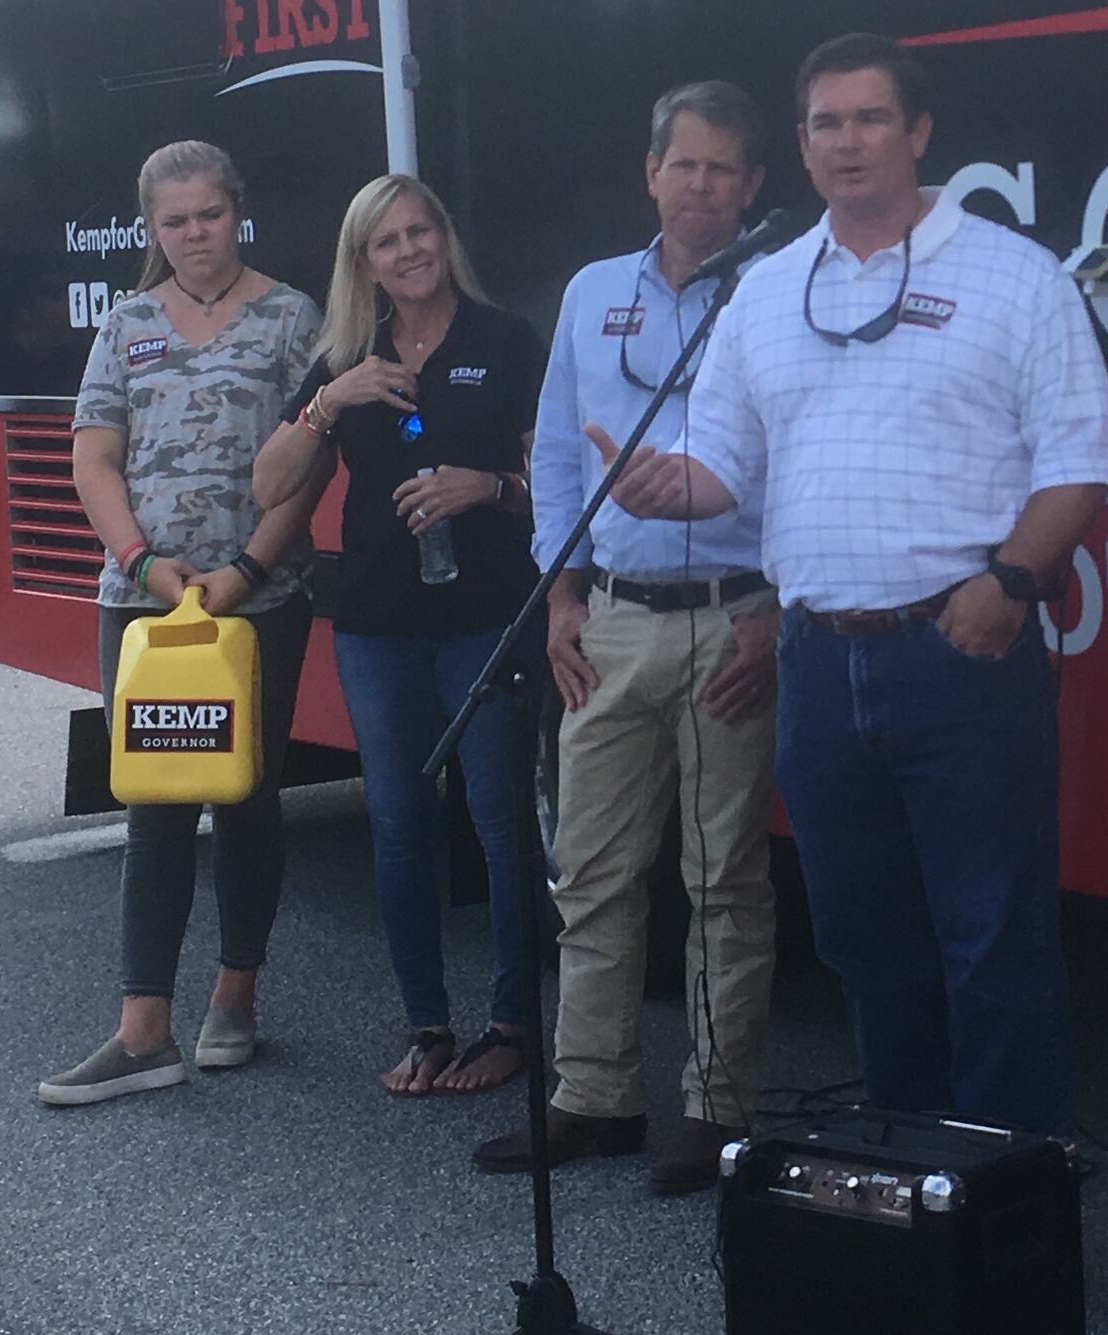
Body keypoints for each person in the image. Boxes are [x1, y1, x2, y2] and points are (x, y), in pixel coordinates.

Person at [589, 34, 1108, 1137]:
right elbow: (724, 470)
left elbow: (1080, 460)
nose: (845, 143)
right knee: (865, 941)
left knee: (991, 939)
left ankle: (1007, 1190)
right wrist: (658, 488)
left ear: (919, 133)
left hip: (958, 656)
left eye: (869, 119)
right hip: (817, 658)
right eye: (825, 124)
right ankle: (907, 1181)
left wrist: (1009, 587)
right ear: (799, 145)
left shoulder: (1012, 275)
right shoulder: (765, 288)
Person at [471, 81, 776, 1194]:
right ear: (650, 173)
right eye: (682, 165)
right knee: (589, 873)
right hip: (607, 620)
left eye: (723, 169)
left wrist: (777, 614)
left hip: (732, 620)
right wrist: (558, 595)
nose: (701, 186)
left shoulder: (780, 293)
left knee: (722, 880)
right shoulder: (595, 291)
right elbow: (556, 452)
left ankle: (715, 1110)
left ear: (752, 185)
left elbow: (803, 462)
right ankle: (591, 1098)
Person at [41, 141, 325, 1105]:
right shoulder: (125, 325)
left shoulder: (292, 318)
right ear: (151, 229)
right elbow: (95, 458)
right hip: (141, 608)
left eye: (208, 214)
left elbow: (312, 462)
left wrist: (247, 569)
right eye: (175, 220)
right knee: (154, 803)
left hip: (258, 606)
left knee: (245, 796)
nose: (194, 234)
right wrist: (142, 563)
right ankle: (142, 1029)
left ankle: (234, 997)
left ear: (237, 212)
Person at [252, 175, 546, 1096]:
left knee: (499, 821)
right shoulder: (348, 355)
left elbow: (563, 484)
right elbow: (269, 487)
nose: (410, 249)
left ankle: (511, 1025)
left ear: (444, 238)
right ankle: (427, 1024)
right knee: (398, 824)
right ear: (364, 263)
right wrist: (327, 404)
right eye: (388, 241)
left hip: (487, 616)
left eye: (421, 231)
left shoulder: (506, 340)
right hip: (377, 624)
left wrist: (489, 485)